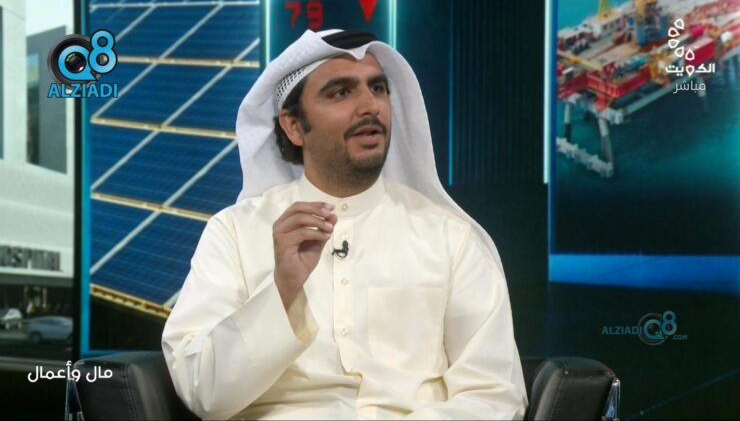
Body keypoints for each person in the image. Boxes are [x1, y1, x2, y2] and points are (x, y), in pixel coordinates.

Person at [162, 29, 528, 420]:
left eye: (378, 88)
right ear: (293, 126)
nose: (370, 106)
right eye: (341, 92)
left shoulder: (450, 237)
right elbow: (203, 391)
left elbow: (495, 395)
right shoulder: (235, 233)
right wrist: (282, 290)